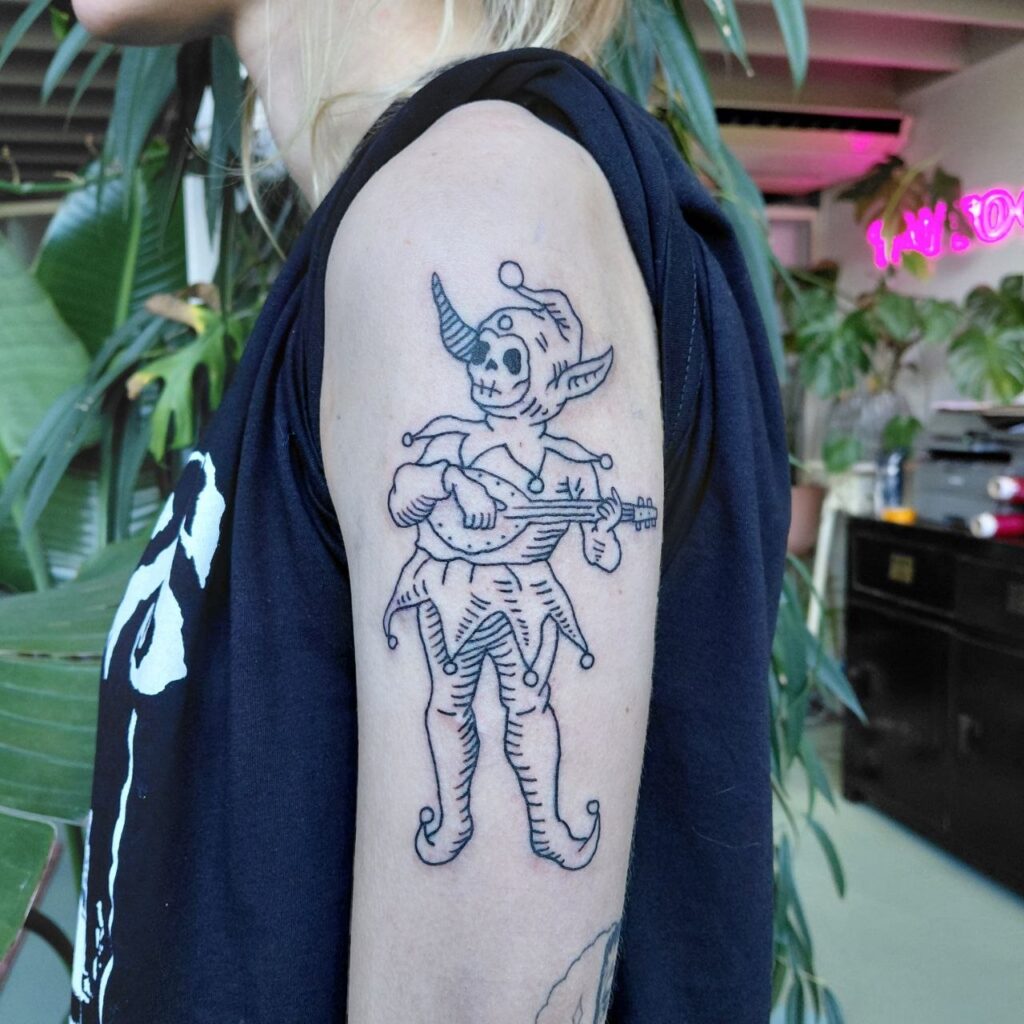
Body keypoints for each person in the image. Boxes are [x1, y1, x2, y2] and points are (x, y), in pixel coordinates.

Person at [67, 1, 790, 1022]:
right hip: (454, 599)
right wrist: (449, 493)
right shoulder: (441, 217)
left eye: (511, 360)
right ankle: (461, 815)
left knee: (524, 716)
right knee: (455, 711)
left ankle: (545, 820)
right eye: (484, 356)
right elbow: (419, 489)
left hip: (515, 602)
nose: (491, 373)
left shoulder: (473, 205)